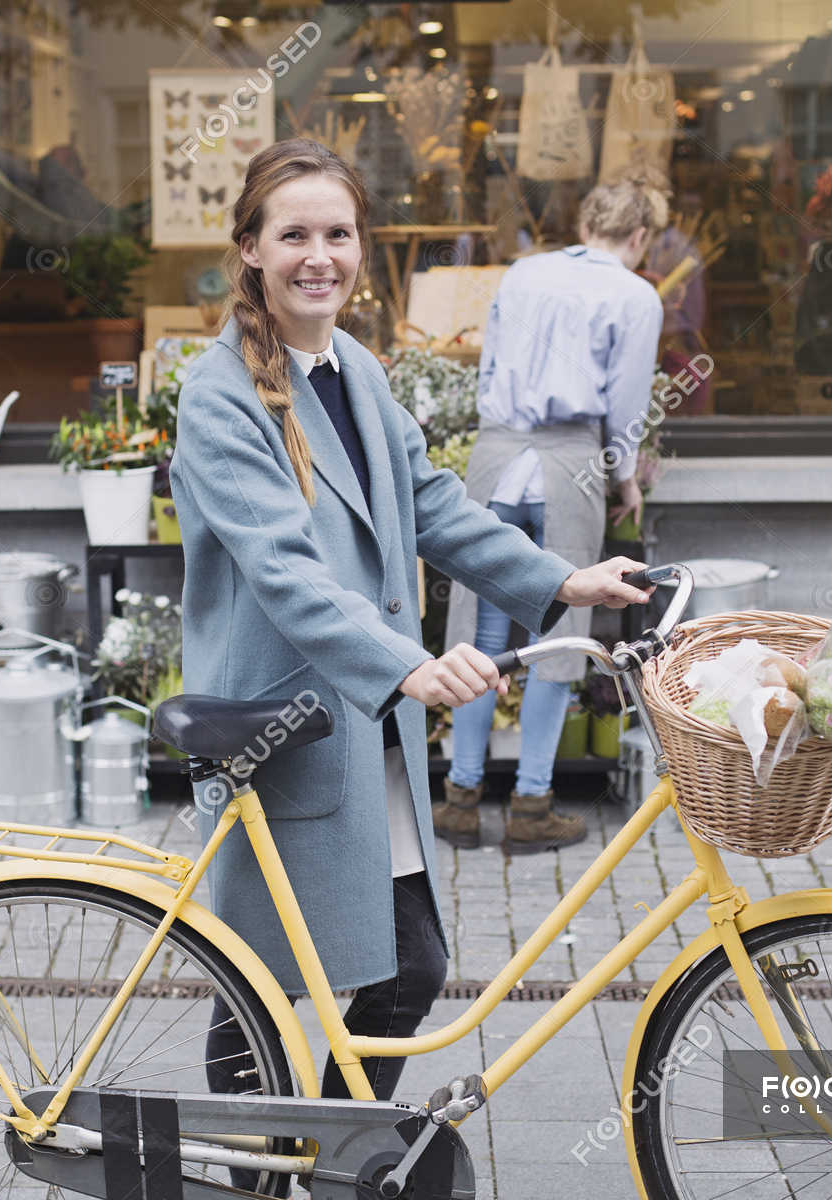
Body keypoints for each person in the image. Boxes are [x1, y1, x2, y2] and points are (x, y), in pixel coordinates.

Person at [169, 139, 651, 1120]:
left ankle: (328, 1152)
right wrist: (411, 666)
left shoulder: (357, 370)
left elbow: (433, 505)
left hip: (362, 720)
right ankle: (279, 1162)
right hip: (292, 720)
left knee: (397, 965)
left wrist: (567, 580)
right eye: (293, 233)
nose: (320, 256)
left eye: (338, 234)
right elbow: (286, 575)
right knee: (270, 981)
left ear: (362, 247)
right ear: (251, 251)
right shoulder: (218, 394)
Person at [435, 182, 665, 854]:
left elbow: (488, 368)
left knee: (479, 635)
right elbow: (626, 403)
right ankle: (531, 805)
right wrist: (626, 478)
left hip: (495, 451)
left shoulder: (524, 271)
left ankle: (460, 798)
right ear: (640, 236)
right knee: (560, 633)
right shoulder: (634, 294)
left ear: (585, 220)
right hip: (570, 462)